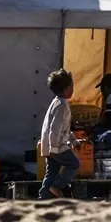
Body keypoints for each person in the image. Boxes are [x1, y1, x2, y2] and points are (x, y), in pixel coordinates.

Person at [39, 69, 82, 199]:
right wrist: (54, 149)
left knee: (51, 172)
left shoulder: (57, 102)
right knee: (74, 163)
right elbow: (55, 128)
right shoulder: (61, 105)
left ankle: (44, 196)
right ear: (67, 88)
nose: (73, 89)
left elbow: (64, 129)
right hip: (56, 146)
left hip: (51, 145)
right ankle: (57, 186)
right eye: (72, 86)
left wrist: (74, 141)